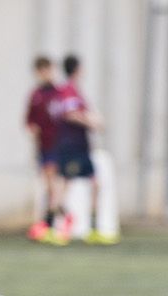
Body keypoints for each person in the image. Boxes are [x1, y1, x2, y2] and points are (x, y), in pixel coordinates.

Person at [53, 54, 116, 246]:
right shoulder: (69, 91)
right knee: (65, 184)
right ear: (77, 69)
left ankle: (93, 227)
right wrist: (92, 122)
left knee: (93, 184)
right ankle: (62, 225)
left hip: (79, 146)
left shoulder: (74, 91)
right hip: (72, 146)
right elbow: (70, 114)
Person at [24, 56, 67, 244]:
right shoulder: (36, 95)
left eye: (48, 70)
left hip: (59, 144)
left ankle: (52, 222)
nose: (46, 74)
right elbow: (30, 121)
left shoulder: (59, 94)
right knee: (50, 184)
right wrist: (34, 133)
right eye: (42, 71)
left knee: (55, 183)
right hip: (44, 145)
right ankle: (58, 216)